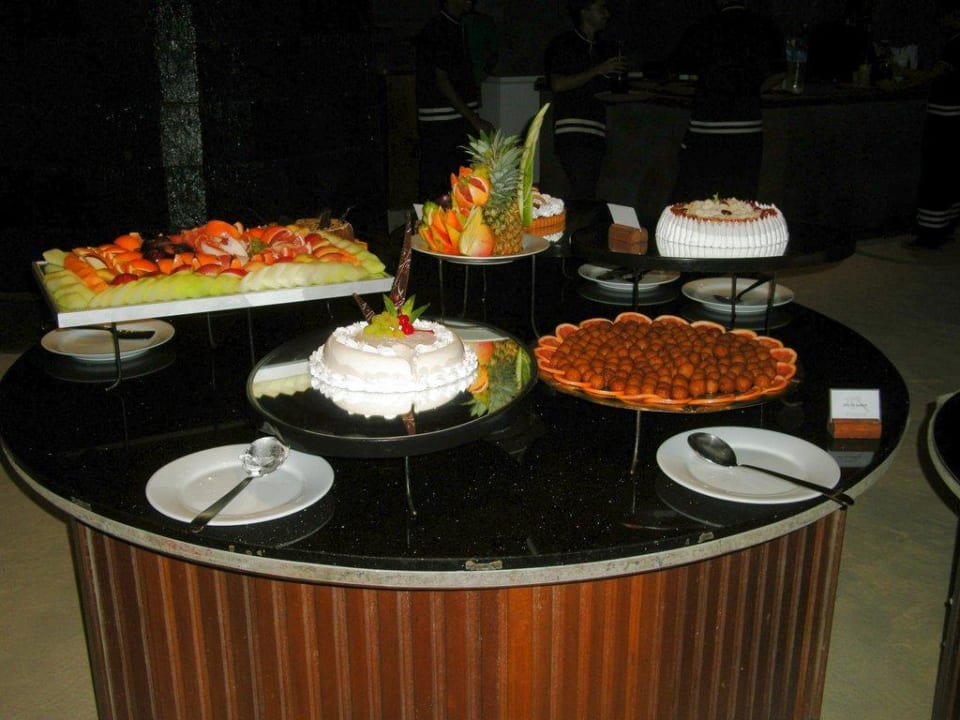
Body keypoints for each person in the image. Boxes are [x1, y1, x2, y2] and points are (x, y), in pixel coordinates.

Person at [666, 0, 785, 202]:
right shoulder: (765, 26)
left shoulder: (702, 27)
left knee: (695, 201)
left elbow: (674, 70)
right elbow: (780, 72)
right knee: (740, 202)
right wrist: (749, 92)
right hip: (747, 128)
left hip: (706, 127)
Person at [544, 0, 626, 200]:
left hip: (596, 129)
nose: (607, 14)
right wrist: (598, 70)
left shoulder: (603, 47)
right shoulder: (564, 43)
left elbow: (604, 92)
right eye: (601, 8)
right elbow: (558, 84)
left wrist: (650, 93)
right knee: (582, 192)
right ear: (584, 11)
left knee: (588, 193)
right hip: (572, 129)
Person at [415, 0, 495, 200]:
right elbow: (442, 81)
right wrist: (475, 120)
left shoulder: (457, 26)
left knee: (458, 184)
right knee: (442, 184)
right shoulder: (439, 29)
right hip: (443, 120)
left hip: (454, 118)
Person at [908, 0, 960, 249]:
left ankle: (931, 233)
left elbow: (934, 74)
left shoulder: (955, 45)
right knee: (948, 175)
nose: (942, 22)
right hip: (953, 117)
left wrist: (905, 80)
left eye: (945, 16)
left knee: (936, 175)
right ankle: (944, 227)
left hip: (945, 118)